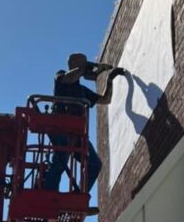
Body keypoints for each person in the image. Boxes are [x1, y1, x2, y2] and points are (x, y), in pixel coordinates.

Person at [43, 52, 124, 195]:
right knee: (62, 158)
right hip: (60, 128)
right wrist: (87, 68)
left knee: (94, 164)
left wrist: (110, 79)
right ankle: (48, 193)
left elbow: (105, 100)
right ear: (74, 64)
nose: (85, 66)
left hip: (77, 133)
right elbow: (69, 78)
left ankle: (79, 194)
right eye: (82, 63)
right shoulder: (61, 77)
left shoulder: (82, 90)